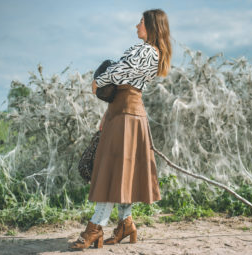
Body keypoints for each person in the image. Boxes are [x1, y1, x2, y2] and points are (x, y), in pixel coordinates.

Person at [69, 9, 172, 249]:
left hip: (127, 113)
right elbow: (125, 80)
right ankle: (126, 224)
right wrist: (108, 112)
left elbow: (120, 72)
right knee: (120, 174)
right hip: (122, 111)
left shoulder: (147, 50)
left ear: (151, 26)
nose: (136, 26)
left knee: (112, 172)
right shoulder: (147, 50)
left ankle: (94, 228)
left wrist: (98, 82)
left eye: (141, 22)